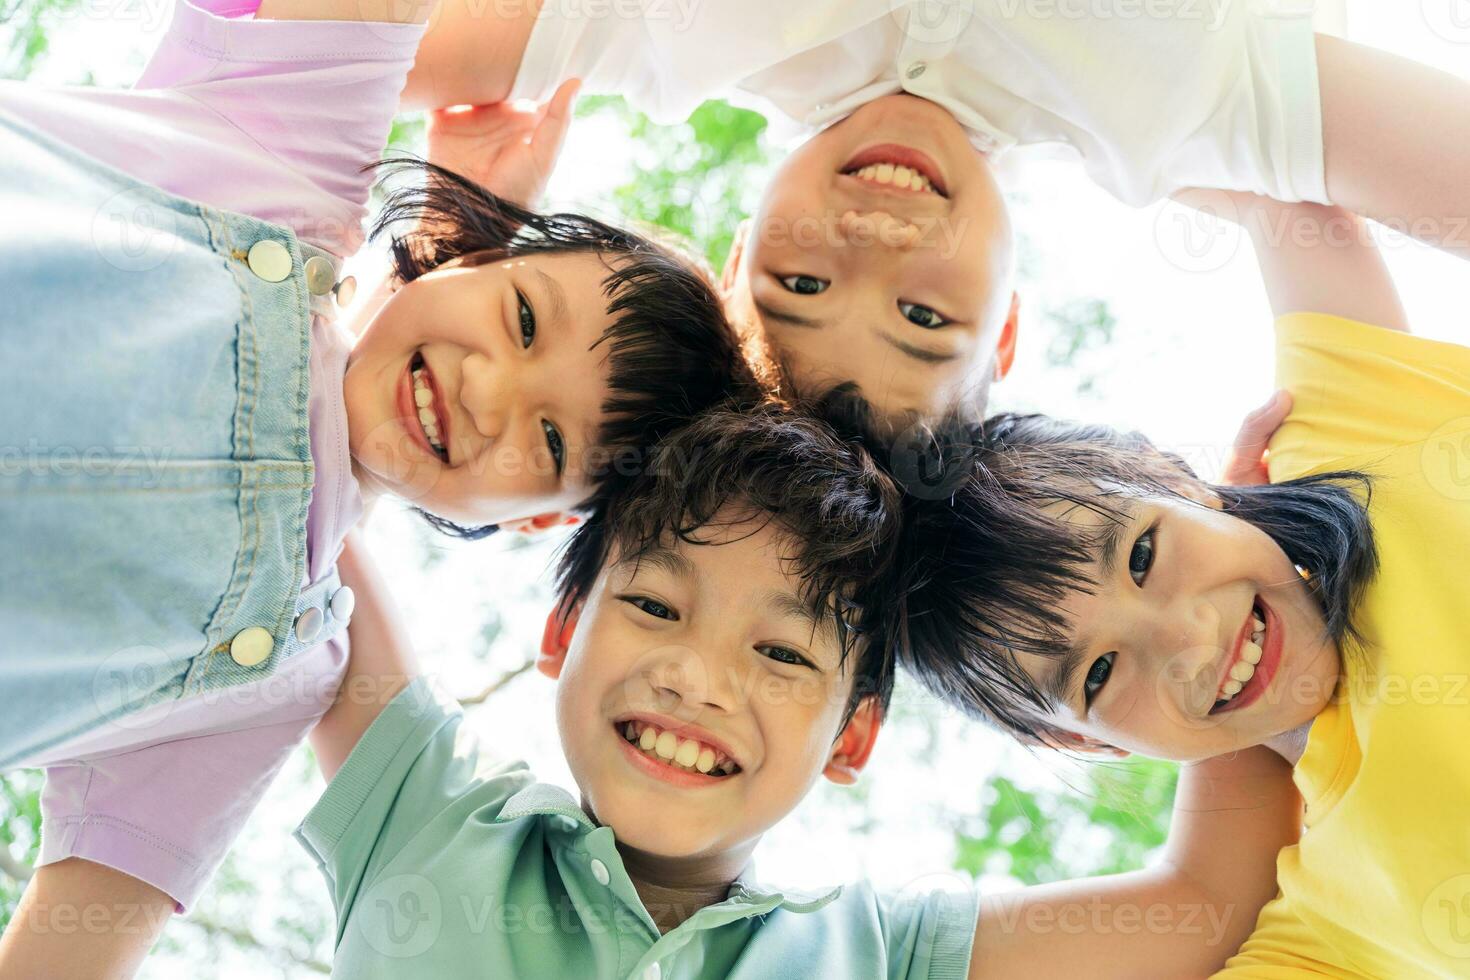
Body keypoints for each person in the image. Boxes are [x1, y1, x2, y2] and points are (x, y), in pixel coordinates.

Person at [0, 0, 743, 971]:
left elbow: (74, 940)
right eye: (521, 316)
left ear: (540, 519)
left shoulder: (276, 676)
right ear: (480, 252)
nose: (486, 391)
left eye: (551, 435)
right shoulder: (290, 155)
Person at [297, 403, 1303, 978]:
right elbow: (307, 481)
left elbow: (1208, 899)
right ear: (562, 630)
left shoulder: (887, 952)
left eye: (783, 654)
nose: (697, 675)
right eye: (653, 604)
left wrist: (1223, 578)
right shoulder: (422, 812)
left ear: (851, 737)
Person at [398, 0, 1470, 423]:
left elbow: (288, 48)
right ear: (1004, 323)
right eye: (926, 319)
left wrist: (454, 244)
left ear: (734, 261)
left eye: (803, 286)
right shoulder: (1179, 115)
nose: (878, 242)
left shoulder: (662, 36)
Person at [894, 194, 1470, 975]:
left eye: (1141, 555)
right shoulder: (1332, 925)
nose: (1195, 640)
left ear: (1171, 473)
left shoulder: (1354, 440)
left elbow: (1277, 171)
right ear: (1084, 739)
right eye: (1100, 673)